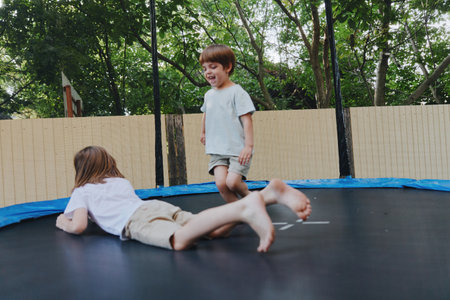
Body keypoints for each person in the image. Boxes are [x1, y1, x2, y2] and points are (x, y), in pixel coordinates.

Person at [56, 146, 312, 253]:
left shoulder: (82, 191)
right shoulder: (120, 181)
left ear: (81, 171)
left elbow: (78, 225)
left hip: (137, 220)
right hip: (153, 206)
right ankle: (268, 195)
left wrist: (61, 223)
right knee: (216, 231)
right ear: (109, 164)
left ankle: (247, 208)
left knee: (179, 241)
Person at [199, 44, 255, 204]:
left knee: (233, 182)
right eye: (204, 69)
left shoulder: (237, 92)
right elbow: (206, 113)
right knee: (222, 184)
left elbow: (247, 119)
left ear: (228, 67)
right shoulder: (208, 95)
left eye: (213, 67)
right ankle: (238, 211)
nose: (208, 72)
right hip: (217, 149)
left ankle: (252, 200)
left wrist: (248, 147)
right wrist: (203, 132)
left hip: (238, 149)